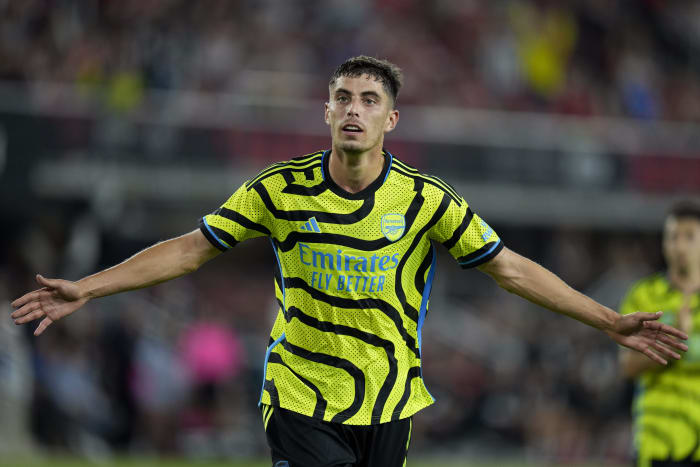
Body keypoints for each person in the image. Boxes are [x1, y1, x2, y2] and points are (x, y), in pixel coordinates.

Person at [11, 56, 688, 467]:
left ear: (392, 119)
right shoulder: (278, 188)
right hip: (300, 393)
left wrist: (607, 320)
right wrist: (89, 288)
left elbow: (508, 266)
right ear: (326, 110)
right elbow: (191, 249)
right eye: (343, 98)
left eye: (369, 101)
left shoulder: (426, 199)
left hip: (390, 401)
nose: (353, 111)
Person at [619, 201, 700, 467]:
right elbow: (628, 366)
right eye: (673, 236)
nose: (679, 246)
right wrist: (676, 345)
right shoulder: (642, 296)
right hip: (655, 440)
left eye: (689, 236)